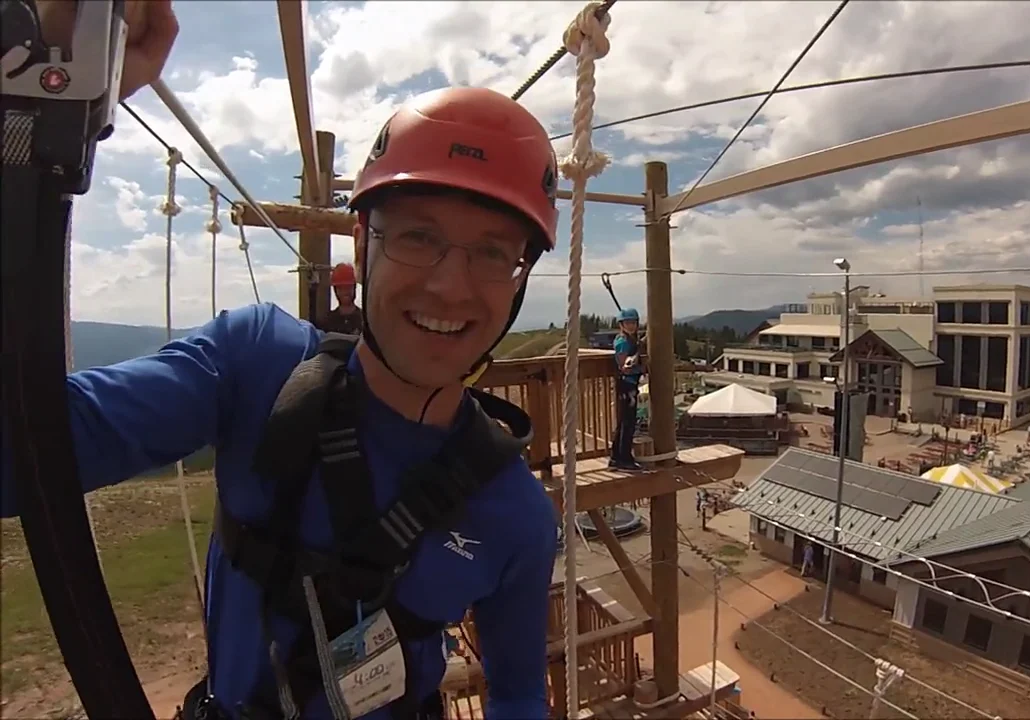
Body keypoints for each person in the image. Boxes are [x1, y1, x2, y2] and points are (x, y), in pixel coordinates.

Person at [2, 8, 561, 717]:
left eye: (491, 252)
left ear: (518, 281)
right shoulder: (259, 370)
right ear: (362, 245)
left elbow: (518, 694)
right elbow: (21, 457)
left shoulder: (514, 515)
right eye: (419, 237)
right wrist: (37, 112)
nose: (451, 287)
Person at [610, 308, 644, 470]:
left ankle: (617, 457)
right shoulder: (623, 342)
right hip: (626, 384)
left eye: (633, 323)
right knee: (627, 423)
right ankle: (624, 458)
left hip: (629, 384)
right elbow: (625, 367)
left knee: (625, 421)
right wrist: (641, 368)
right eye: (628, 323)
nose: (631, 326)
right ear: (622, 325)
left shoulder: (629, 340)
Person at [319, 262, 363, 335]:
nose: (345, 291)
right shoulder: (327, 322)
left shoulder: (365, 321)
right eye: (341, 288)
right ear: (335, 290)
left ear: (354, 288)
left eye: (348, 287)